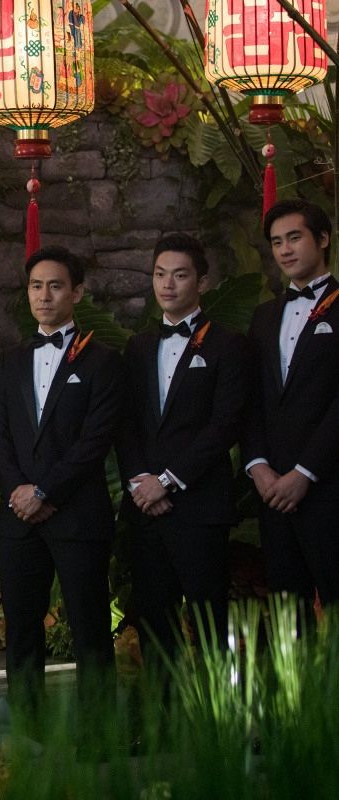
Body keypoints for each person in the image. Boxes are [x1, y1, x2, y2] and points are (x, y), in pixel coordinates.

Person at [0, 246, 122, 716]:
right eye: (35, 286)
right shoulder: (11, 360)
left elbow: (95, 441)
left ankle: (98, 730)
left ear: (77, 292)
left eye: (55, 286)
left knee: (90, 628)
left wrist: (45, 491)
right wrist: (19, 492)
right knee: (22, 629)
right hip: (19, 519)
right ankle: (26, 726)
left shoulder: (103, 361)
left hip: (78, 515)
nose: (44, 296)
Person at [117, 233, 249, 663]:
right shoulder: (138, 346)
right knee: (155, 626)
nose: (167, 285)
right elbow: (126, 421)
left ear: (202, 282)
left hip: (199, 505)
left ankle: (218, 705)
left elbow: (225, 424)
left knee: (210, 624)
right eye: (160, 275)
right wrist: (142, 482)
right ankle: (161, 708)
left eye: (179, 275)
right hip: (144, 508)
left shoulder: (228, 344)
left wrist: (168, 481)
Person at [244, 198, 339, 627]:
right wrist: (258, 466)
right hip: (273, 492)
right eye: (276, 241)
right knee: (289, 620)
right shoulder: (264, 317)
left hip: (329, 485)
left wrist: (305, 472)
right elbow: (251, 399)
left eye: (294, 238)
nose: (284, 250)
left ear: (323, 239)